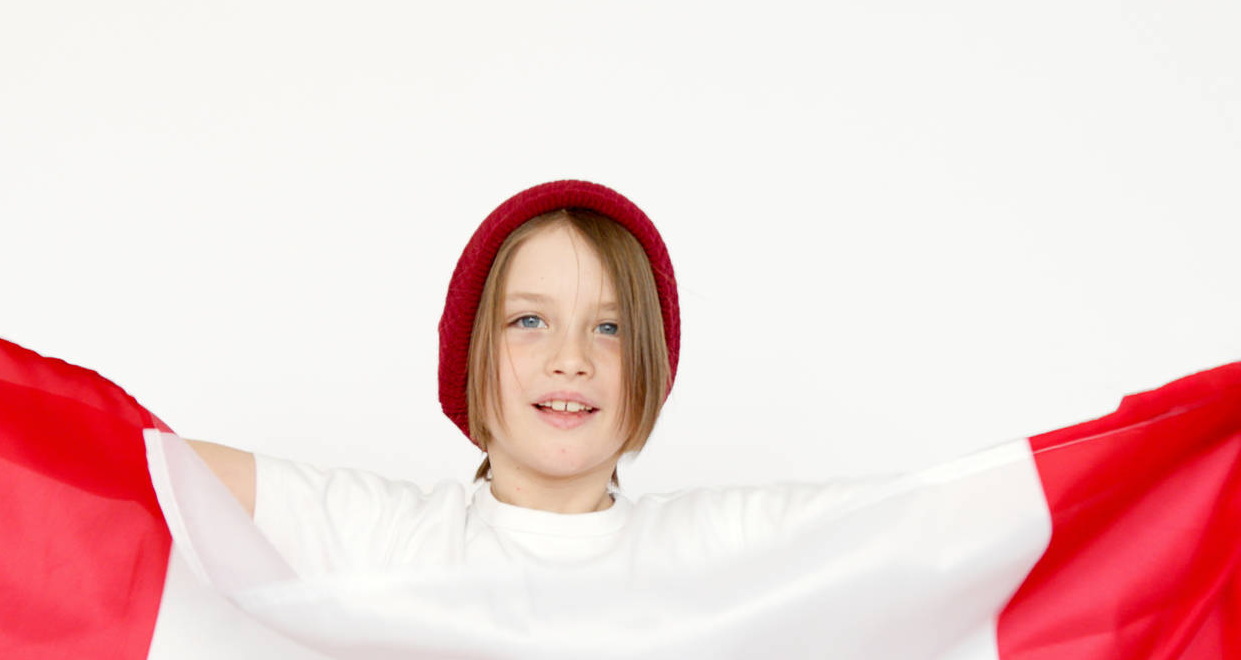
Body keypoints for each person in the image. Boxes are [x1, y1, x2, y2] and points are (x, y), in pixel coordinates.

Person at [181, 179, 875, 578]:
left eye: (610, 328)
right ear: (468, 359)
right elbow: (154, 471)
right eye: (528, 322)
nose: (569, 358)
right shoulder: (399, 542)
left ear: (652, 372)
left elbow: (906, 530)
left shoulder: (703, 553)